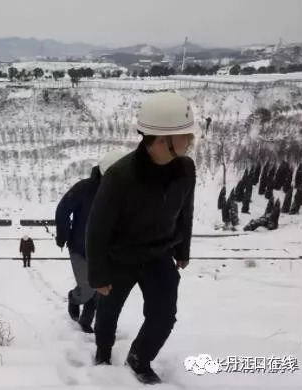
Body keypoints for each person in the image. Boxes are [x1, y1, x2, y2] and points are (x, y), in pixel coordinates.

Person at [85, 91, 199, 385]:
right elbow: (97, 228)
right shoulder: (120, 176)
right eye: (186, 135)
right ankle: (103, 352)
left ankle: (140, 357)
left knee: (164, 315)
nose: (191, 140)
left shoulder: (185, 169)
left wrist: (182, 249)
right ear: (163, 139)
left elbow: (185, 210)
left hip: (158, 255)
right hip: (120, 257)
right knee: (108, 311)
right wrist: (98, 274)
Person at [55, 149, 123, 333]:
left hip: (105, 251)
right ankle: (74, 298)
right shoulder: (84, 188)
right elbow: (63, 209)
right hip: (79, 247)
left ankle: (85, 320)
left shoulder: (123, 191)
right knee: (86, 288)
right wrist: (63, 235)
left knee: (100, 289)